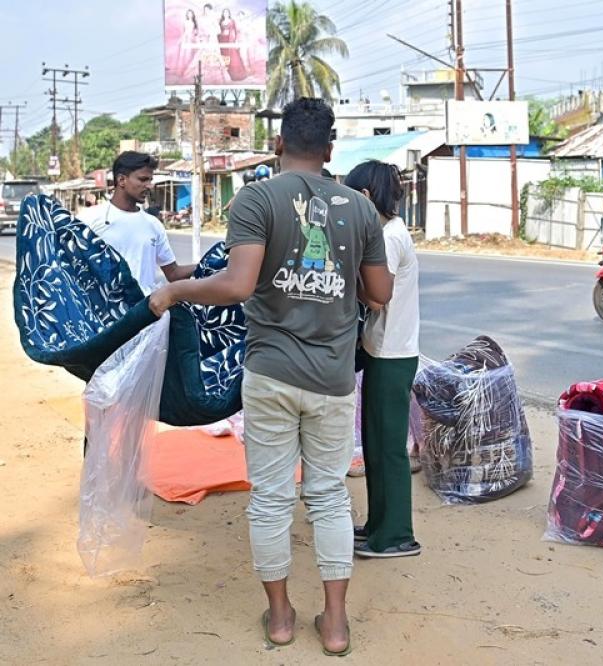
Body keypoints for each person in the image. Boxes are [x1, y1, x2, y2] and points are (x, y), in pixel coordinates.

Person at [148, 98, 393, 656]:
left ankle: (280, 618)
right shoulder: (357, 208)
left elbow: (236, 286)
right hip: (332, 378)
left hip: (271, 373)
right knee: (330, 496)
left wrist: (174, 290)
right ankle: (334, 624)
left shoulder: (255, 198)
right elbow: (380, 295)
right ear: (330, 150)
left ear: (278, 144)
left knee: (272, 498)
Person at [344, 160, 422, 559]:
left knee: (389, 447)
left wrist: (345, 275)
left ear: (366, 196)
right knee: (375, 443)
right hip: (382, 350)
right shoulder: (385, 232)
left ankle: (396, 535)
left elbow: (378, 297)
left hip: (393, 355)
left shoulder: (389, 237)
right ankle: (378, 524)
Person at [77, 151, 195, 294]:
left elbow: (173, 273)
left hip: (144, 312)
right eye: (143, 179)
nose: (149, 186)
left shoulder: (153, 224)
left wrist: (213, 264)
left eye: (150, 180)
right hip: (105, 312)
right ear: (121, 180)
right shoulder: (89, 219)